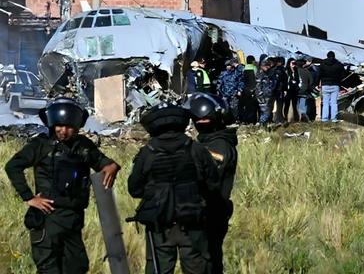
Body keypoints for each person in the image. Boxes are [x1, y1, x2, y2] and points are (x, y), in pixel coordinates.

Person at [5, 97, 120, 274]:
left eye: (69, 127)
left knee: (77, 267)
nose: (63, 131)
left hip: (73, 220)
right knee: (49, 269)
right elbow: (13, 166)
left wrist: (111, 166)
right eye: (59, 126)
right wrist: (29, 197)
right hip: (48, 219)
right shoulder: (41, 145)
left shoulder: (83, 147)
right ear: (51, 123)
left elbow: (104, 163)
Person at [128, 102, 220, 274]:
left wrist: (156, 193)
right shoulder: (196, 149)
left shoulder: (147, 153)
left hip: (161, 228)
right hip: (193, 225)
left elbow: (134, 189)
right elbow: (213, 184)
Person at [187, 93, 238, 274]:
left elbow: (207, 177)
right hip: (210, 209)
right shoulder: (212, 142)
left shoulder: (219, 145)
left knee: (207, 260)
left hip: (212, 209)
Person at [318, 51, 347, 122]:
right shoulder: (339, 64)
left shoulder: (322, 64)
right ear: (334, 56)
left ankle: (324, 119)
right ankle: (334, 118)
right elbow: (343, 75)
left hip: (325, 85)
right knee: (334, 103)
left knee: (325, 103)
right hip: (335, 85)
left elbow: (319, 75)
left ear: (327, 56)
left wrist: (317, 84)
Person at [255, 59, 276, 125]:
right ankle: (262, 126)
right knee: (266, 112)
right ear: (263, 66)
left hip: (267, 95)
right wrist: (261, 96)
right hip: (262, 96)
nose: (268, 68)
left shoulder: (266, 73)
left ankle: (264, 126)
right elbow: (258, 87)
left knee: (266, 112)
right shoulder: (260, 74)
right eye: (267, 66)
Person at [239, 55, 259, 124]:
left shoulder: (244, 68)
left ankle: (246, 120)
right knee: (253, 106)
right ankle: (253, 121)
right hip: (253, 89)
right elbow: (257, 78)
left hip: (245, 90)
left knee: (247, 106)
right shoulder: (254, 68)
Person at [283, 58, 300, 122]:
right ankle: (285, 118)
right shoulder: (286, 71)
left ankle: (295, 118)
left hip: (295, 90)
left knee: (294, 105)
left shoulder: (296, 71)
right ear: (289, 63)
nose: (294, 65)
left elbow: (298, 79)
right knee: (287, 104)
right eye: (292, 63)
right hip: (288, 90)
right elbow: (285, 80)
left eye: (295, 63)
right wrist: (285, 89)